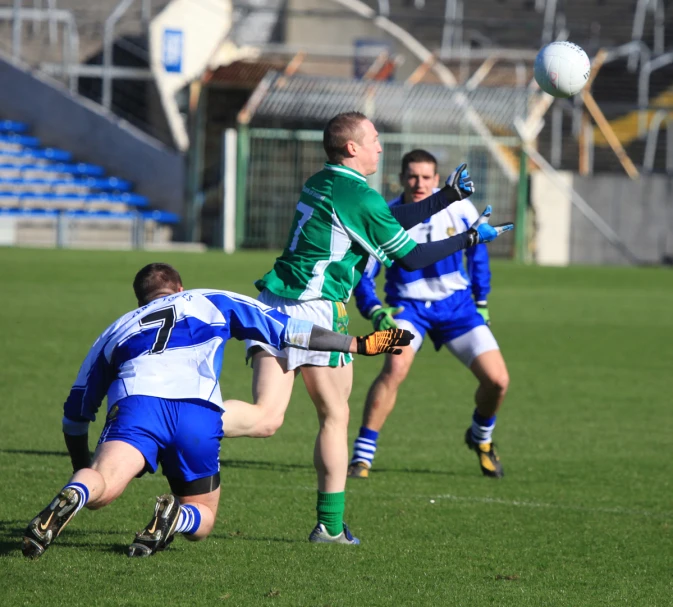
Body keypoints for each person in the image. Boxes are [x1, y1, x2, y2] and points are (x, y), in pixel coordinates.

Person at [219, 112, 513, 545]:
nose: (380, 146)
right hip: (318, 309)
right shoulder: (361, 196)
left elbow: (384, 223)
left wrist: (446, 195)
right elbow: (409, 257)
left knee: (265, 418)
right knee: (335, 417)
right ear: (353, 148)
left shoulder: (323, 181)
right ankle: (331, 527)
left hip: (276, 302)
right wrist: (470, 239)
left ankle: (173, 418)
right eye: (374, 139)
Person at [21, 262, 413, 559]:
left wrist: (81, 466)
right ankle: (178, 517)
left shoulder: (116, 329)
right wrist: (358, 345)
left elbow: (75, 414)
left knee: (102, 488)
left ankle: (77, 491)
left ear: (140, 300)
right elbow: (288, 329)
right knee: (203, 514)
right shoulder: (210, 298)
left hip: (137, 406)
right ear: (179, 288)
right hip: (199, 412)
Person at [347, 149, 511, 480]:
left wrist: (482, 300)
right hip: (408, 309)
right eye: (412, 176)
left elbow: (477, 253)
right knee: (395, 367)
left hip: (458, 307)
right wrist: (375, 310)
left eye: (425, 177)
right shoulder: (388, 215)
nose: (418, 183)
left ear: (437, 180)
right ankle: (362, 456)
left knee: (498, 381)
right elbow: (363, 276)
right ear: (401, 179)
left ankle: (480, 438)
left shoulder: (460, 207)